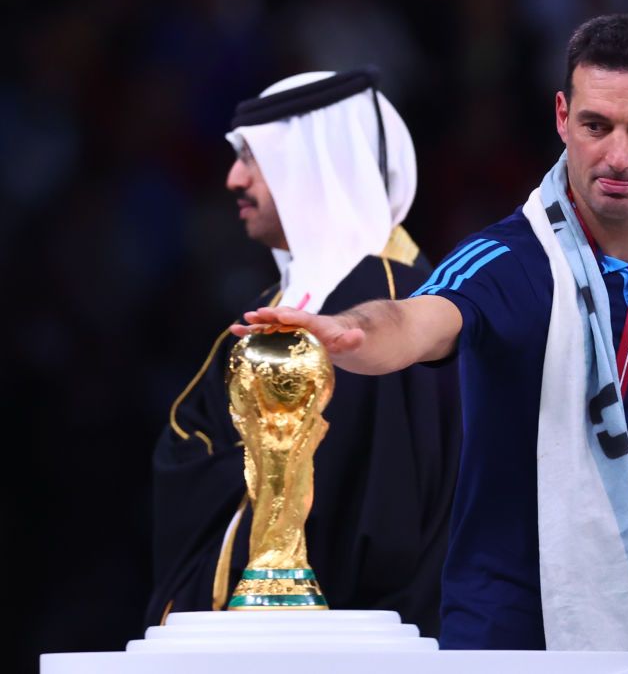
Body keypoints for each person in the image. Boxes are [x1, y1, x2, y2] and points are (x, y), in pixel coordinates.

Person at [235, 16, 628, 673]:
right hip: (513, 633)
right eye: (597, 126)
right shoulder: (508, 260)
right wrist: (356, 332)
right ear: (562, 118)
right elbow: (420, 319)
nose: (618, 155)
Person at [145, 68, 460, 638]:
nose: (233, 179)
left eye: (254, 159)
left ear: (317, 166)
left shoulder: (394, 304)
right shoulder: (278, 304)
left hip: (366, 637)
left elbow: (381, 508)